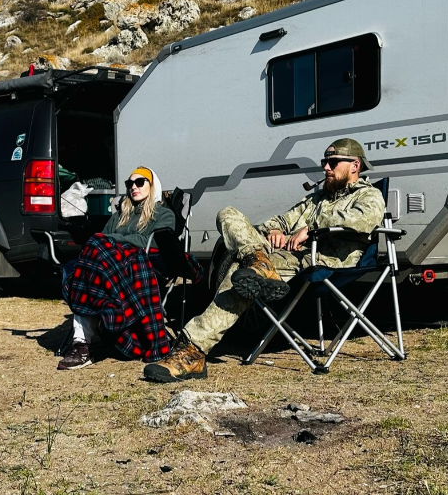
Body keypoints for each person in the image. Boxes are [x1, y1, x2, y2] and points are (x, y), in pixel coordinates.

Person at [143, 139, 385, 382]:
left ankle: (193, 350)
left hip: (322, 261)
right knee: (227, 214)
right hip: (287, 255)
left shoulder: (368, 195)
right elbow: (281, 221)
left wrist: (310, 229)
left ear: (355, 165)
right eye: (324, 162)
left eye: (332, 163)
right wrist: (274, 232)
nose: (325, 168)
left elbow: (364, 219)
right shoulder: (317, 198)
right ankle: (258, 261)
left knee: (241, 271)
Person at [58, 167, 176, 371]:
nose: (134, 187)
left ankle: (82, 343)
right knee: (87, 265)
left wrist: (115, 240)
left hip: (138, 266)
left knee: (90, 258)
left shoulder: (163, 214)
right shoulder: (120, 215)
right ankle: (81, 344)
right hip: (108, 270)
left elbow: (154, 243)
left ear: (152, 186)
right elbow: (101, 243)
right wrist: (112, 242)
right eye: (130, 184)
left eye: (140, 182)